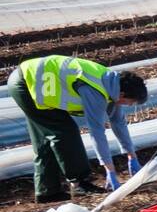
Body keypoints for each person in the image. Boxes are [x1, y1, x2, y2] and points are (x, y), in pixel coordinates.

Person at [8, 55, 148, 203]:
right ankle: (79, 184)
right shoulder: (96, 91)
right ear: (122, 94)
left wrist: (132, 156)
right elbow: (97, 131)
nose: (129, 106)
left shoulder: (113, 85)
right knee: (65, 132)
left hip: (33, 81)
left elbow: (118, 122)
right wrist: (110, 169)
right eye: (130, 103)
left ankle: (47, 192)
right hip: (26, 83)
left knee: (46, 136)